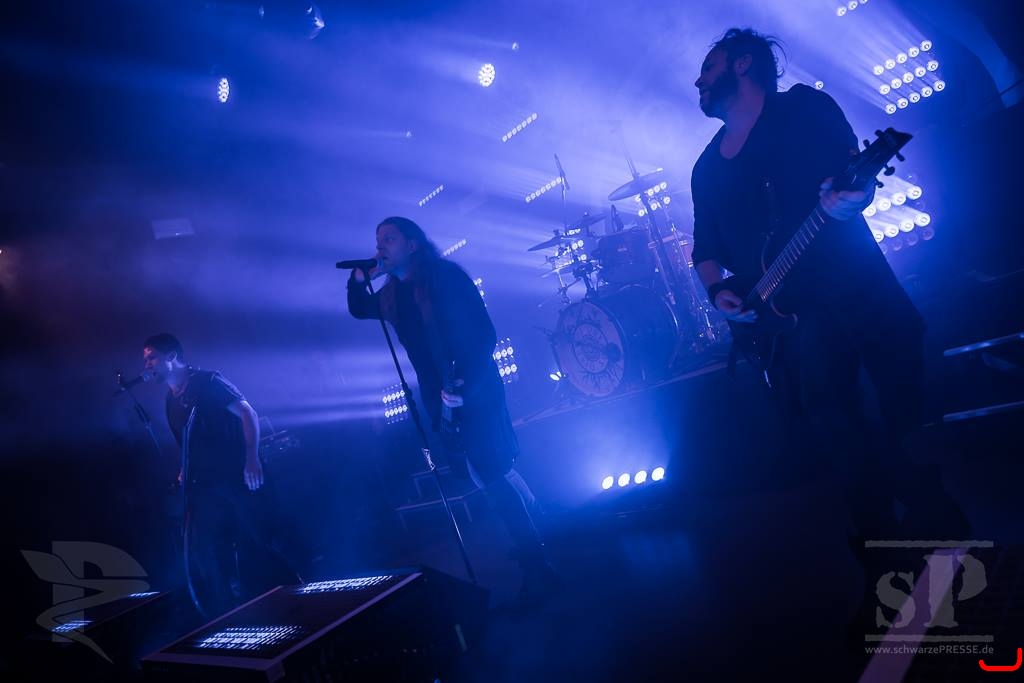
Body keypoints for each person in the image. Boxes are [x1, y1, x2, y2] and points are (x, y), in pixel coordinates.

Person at [689, 28, 969, 544]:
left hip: (855, 284)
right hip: (786, 315)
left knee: (895, 410)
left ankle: (923, 524)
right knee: (833, 420)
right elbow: (704, 248)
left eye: (709, 68)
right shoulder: (706, 169)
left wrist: (853, 197)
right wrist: (718, 294)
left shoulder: (802, 109)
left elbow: (851, 177)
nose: (698, 81)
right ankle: (894, 536)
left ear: (742, 64)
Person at [346, 217, 558, 603]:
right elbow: (360, 308)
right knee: (483, 471)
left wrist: (462, 385)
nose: (380, 247)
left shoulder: (445, 278)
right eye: (377, 240)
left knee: (489, 470)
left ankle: (537, 563)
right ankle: (538, 527)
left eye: (388, 239)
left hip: (473, 389)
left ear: (413, 245)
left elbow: (482, 335)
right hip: (438, 396)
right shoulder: (393, 294)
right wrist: (359, 278)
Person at [143, 333, 305, 617]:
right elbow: (189, 443)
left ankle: (300, 594)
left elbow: (247, 414)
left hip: (237, 478)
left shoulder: (208, 382)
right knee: (211, 550)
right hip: (207, 488)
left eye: (151, 358)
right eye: (145, 360)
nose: (147, 365)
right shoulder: (170, 399)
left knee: (259, 539)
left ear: (171, 357)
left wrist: (251, 458)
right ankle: (234, 612)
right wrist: (184, 470)